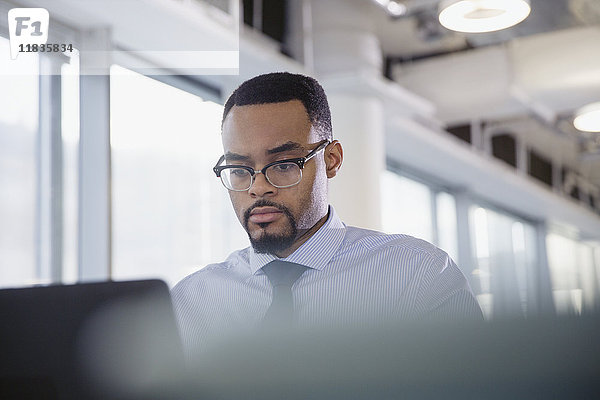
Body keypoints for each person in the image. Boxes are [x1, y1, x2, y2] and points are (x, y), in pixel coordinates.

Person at [171, 72, 483, 355]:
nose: (258, 187)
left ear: (331, 160)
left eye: (283, 165)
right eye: (239, 170)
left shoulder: (418, 275)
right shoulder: (189, 303)